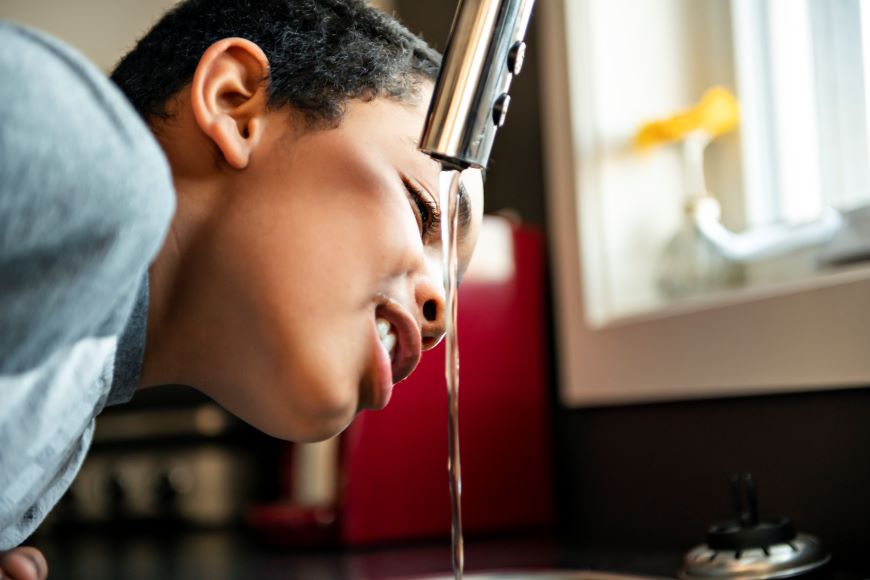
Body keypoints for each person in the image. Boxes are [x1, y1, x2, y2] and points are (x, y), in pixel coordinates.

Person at [0, 0, 484, 577]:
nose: (441, 316)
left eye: (452, 280)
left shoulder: (58, 449)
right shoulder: (98, 171)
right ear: (234, 104)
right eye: (420, 206)